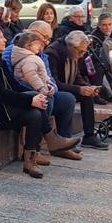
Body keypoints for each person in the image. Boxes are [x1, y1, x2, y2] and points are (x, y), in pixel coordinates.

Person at [0, 26, 78, 178]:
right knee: (33, 101)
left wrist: (38, 95)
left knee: (34, 114)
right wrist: (31, 99)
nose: (5, 40)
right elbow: (0, 94)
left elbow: (14, 86)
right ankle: (52, 139)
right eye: (1, 37)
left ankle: (30, 160)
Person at [23, 21, 81, 160]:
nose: (46, 41)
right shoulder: (17, 48)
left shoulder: (43, 54)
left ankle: (63, 144)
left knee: (67, 99)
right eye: (44, 37)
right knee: (45, 100)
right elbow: (16, 78)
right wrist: (40, 90)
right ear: (32, 32)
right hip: (26, 92)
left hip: (43, 89)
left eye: (49, 38)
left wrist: (51, 87)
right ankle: (34, 150)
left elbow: (50, 78)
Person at [45, 30, 109, 152]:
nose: (82, 54)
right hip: (55, 90)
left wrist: (87, 87)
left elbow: (76, 76)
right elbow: (54, 82)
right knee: (69, 98)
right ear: (70, 46)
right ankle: (65, 139)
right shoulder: (53, 53)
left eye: (84, 51)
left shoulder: (76, 53)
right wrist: (79, 89)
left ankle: (89, 136)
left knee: (87, 94)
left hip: (66, 87)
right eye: (80, 51)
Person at [11, 31, 56, 98]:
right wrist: (41, 89)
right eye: (37, 44)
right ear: (28, 46)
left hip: (40, 89)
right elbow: (31, 75)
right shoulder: (29, 59)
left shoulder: (30, 57)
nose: (40, 46)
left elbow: (43, 75)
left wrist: (50, 85)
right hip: (35, 91)